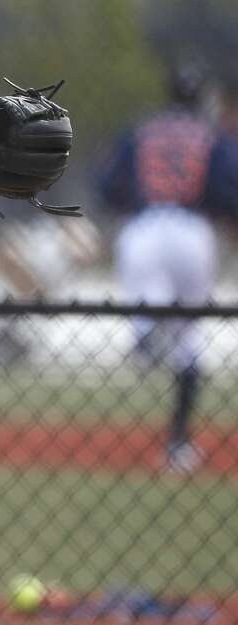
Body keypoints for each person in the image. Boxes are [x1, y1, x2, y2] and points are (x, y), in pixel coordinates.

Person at [97, 62, 238, 473]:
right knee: (189, 337)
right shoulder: (213, 136)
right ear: (201, 99)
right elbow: (227, 188)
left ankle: (146, 329)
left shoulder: (141, 130)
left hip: (145, 228)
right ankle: (177, 445)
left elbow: (108, 187)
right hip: (193, 231)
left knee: (147, 308)